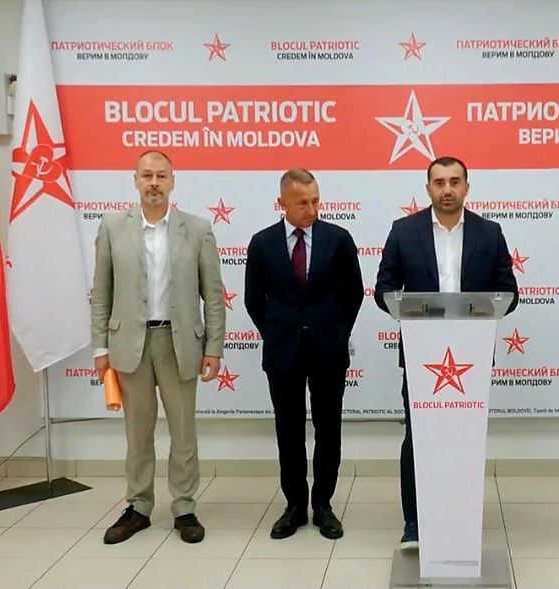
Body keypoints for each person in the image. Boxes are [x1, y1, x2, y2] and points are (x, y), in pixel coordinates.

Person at [374, 156, 518, 550]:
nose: (448, 189)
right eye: (439, 182)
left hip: (471, 356)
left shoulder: (490, 233)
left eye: (455, 181)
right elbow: (384, 289)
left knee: (464, 438)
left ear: (467, 186)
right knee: (418, 437)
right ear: (428, 189)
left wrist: (481, 310)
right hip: (422, 354)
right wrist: (412, 309)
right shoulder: (404, 231)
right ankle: (414, 522)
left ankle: (460, 516)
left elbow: (509, 293)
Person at [91, 150, 225, 544]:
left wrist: (214, 347)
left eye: (161, 176)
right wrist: (100, 347)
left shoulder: (197, 229)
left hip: (179, 343)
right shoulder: (113, 226)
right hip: (128, 344)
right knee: (138, 433)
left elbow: (213, 296)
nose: (154, 183)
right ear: (135, 180)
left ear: (172, 181)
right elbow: (101, 292)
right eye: (147, 175)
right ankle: (138, 506)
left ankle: (184, 506)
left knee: (183, 431)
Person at [245, 168, 364, 540]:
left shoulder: (338, 239)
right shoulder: (262, 243)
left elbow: (354, 293)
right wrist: (277, 332)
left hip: (328, 350)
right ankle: (295, 505)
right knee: (289, 430)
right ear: (282, 202)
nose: (311, 209)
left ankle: (323, 504)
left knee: (329, 429)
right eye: (302, 203)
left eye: (315, 201)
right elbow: (253, 300)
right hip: (283, 352)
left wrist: (337, 332)